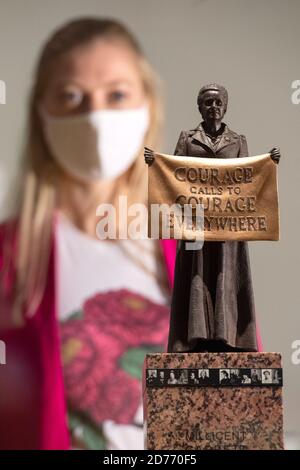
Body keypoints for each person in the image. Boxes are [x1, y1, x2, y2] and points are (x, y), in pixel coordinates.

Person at [0, 18, 177, 450]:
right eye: (71, 97)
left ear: (148, 105)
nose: (95, 116)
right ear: (41, 113)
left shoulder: (197, 245)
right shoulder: (10, 257)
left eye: (117, 95)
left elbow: (238, 405)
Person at [155, 83, 280, 353]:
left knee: (227, 274)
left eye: (218, 102)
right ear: (200, 107)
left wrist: (268, 163)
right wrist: (155, 163)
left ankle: (229, 337)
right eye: (208, 103)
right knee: (196, 275)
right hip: (196, 225)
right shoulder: (188, 139)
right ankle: (195, 337)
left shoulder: (237, 141)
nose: (213, 107)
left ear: (225, 106)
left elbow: (249, 177)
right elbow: (174, 174)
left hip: (228, 227)